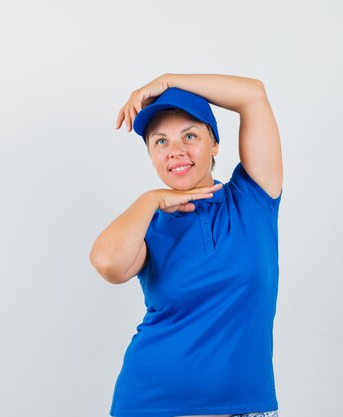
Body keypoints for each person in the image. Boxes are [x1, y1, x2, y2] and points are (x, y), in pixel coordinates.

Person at [89, 73, 284, 417]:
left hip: (246, 406)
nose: (175, 150)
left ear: (215, 145)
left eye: (189, 135)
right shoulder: (147, 226)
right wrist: (150, 200)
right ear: (151, 156)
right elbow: (107, 263)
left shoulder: (253, 197)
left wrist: (167, 81)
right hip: (153, 405)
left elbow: (253, 95)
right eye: (160, 142)